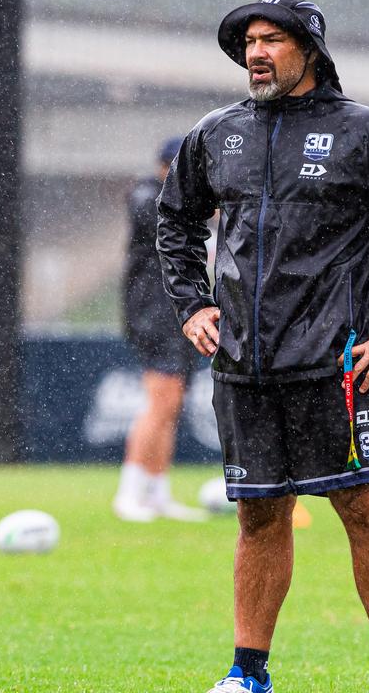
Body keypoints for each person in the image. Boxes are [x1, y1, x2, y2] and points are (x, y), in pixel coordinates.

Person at [157, 0, 369, 693]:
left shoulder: (366, 134)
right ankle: (247, 673)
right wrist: (192, 304)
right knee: (259, 517)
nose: (256, 53)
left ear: (309, 51)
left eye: (271, 41)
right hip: (245, 367)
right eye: (248, 43)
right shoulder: (216, 134)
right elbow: (175, 223)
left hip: (340, 366)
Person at [113, 136, 211, 523]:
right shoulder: (146, 195)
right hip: (154, 311)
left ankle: (156, 491)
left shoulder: (175, 200)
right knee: (161, 398)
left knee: (173, 401)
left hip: (180, 312)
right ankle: (130, 492)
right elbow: (166, 222)